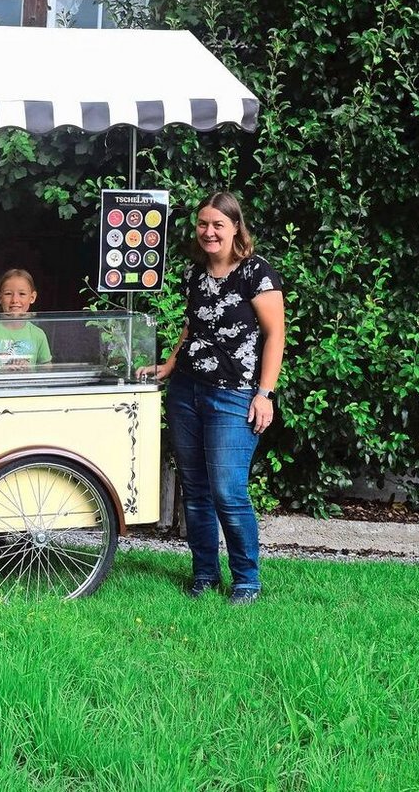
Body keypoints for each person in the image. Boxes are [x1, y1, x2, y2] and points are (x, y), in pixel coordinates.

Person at [142, 192, 285, 606]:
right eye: (203, 224)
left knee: (228, 489)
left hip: (235, 394)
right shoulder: (194, 273)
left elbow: (275, 334)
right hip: (187, 391)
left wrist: (265, 393)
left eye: (218, 225)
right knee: (196, 488)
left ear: (236, 227)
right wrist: (170, 364)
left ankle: (247, 581)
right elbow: (192, 325)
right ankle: (204, 573)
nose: (209, 232)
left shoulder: (256, 274)